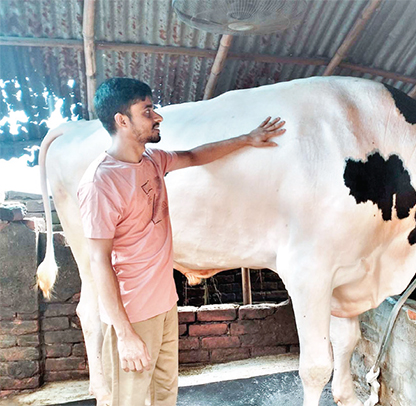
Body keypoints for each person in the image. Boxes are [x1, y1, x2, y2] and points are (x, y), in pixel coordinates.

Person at [77, 77, 286, 406]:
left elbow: (194, 155)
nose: (157, 117)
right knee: (128, 401)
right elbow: (98, 260)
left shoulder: (152, 161)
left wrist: (248, 138)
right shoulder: (100, 183)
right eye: (147, 111)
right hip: (133, 315)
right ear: (122, 120)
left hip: (163, 305)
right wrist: (125, 334)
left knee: (165, 396)